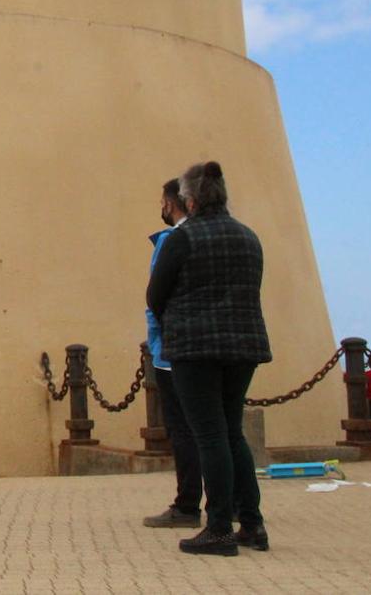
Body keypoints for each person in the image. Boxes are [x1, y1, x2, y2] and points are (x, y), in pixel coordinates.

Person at [147, 161, 270, 557]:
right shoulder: (248, 237)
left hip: (195, 349)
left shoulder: (183, 239)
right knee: (232, 433)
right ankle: (251, 523)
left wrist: (177, 321)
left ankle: (218, 529)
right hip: (243, 347)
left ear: (190, 199)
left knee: (210, 435)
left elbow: (156, 294)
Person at [142, 178, 202, 529]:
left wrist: (157, 345)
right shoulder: (235, 235)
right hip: (224, 346)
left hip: (176, 349)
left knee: (183, 430)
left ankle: (188, 504)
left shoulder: (173, 240)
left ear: (174, 203)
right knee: (223, 431)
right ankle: (241, 507)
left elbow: (156, 298)